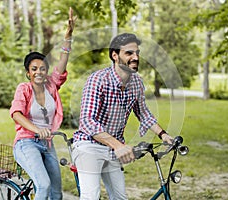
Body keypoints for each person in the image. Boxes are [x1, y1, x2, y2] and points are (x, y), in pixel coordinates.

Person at [72, 33, 174, 200]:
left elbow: (143, 112)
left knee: (120, 198)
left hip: (113, 148)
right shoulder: (98, 80)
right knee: (91, 196)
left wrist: (163, 134)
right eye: (129, 53)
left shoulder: (136, 82)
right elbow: (87, 121)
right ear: (115, 55)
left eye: (137, 53)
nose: (135, 57)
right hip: (88, 145)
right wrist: (118, 145)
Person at [10, 8, 76, 200]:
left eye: (43, 68)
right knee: (44, 186)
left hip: (47, 144)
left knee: (57, 193)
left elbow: (63, 62)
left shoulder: (51, 85)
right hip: (26, 143)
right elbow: (16, 114)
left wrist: (68, 35)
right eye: (34, 69)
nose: (39, 72)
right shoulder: (24, 89)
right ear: (28, 73)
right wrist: (37, 129)